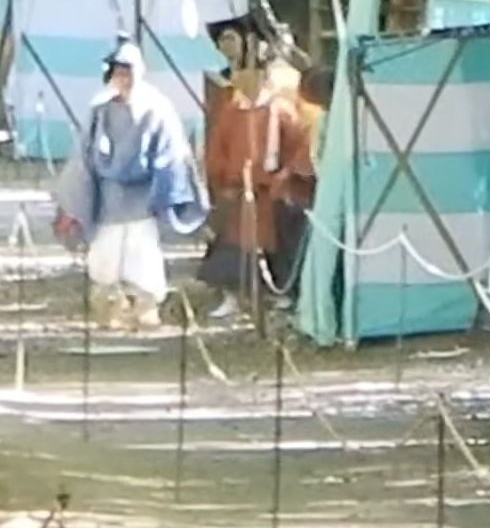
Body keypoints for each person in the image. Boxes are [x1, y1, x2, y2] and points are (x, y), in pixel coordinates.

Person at [53, 39, 206, 332]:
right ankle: (109, 308)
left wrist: (166, 185)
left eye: (129, 72)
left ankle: (145, 307)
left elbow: (172, 152)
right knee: (105, 254)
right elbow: (84, 157)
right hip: (109, 196)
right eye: (118, 73)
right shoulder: (100, 109)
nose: (124, 79)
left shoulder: (157, 107)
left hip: (142, 196)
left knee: (143, 252)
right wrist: (75, 198)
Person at [199, 20, 318, 320]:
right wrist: (221, 178)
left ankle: (281, 295)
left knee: (278, 246)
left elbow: (299, 144)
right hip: (238, 190)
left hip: (272, 190)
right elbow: (218, 149)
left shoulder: (281, 107)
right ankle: (233, 296)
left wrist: (286, 175)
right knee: (232, 245)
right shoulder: (231, 109)